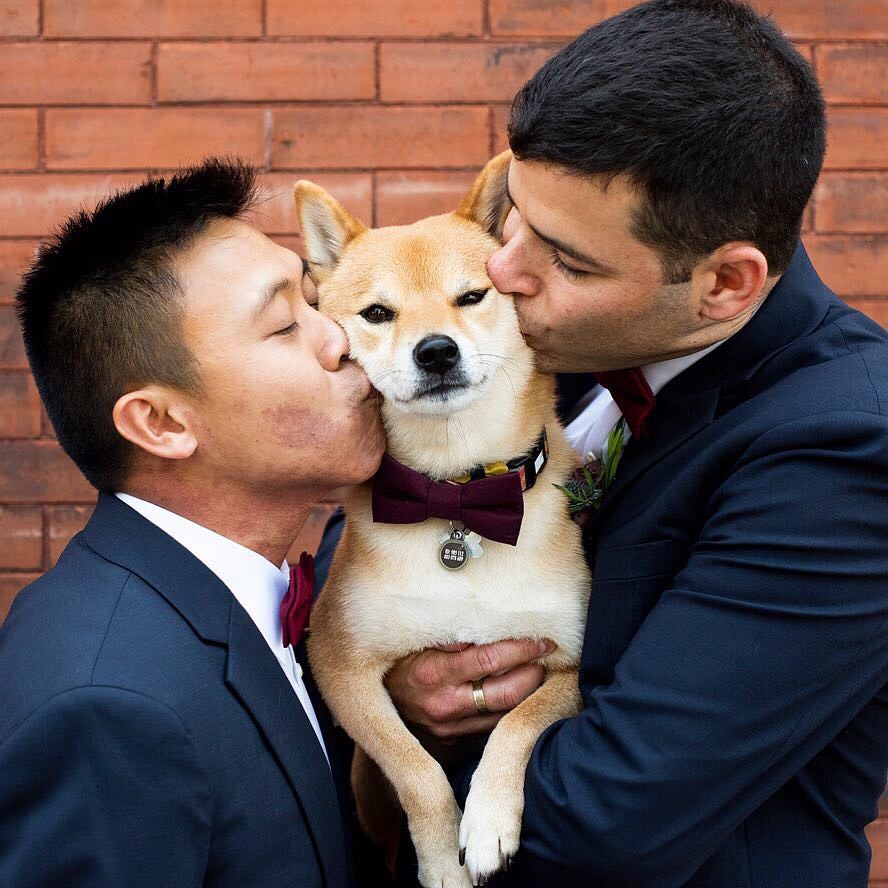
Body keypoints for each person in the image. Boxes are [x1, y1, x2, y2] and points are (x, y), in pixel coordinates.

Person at [321, 1, 888, 885]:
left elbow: (611, 815)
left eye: (567, 259)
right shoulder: (575, 340)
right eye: (517, 223)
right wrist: (393, 666)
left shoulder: (844, 454)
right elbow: (393, 515)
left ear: (723, 285)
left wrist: (428, 741)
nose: (504, 274)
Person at [0, 160, 390, 886]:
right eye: (283, 324)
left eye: (315, 299)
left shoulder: (246, 595)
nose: (343, 340)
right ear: (161, 422)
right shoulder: (106, 708)